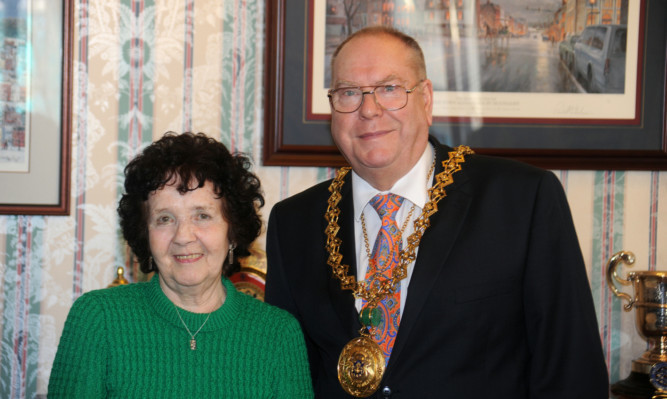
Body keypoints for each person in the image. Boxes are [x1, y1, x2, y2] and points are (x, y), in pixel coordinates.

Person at [264, 26, 609, 398]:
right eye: (349, 93)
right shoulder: (294, 223)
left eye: (389, 89)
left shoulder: (522, 200)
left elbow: (572, 371)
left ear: (426, 99)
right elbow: (285, 375)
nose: (368, 109)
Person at [48, 132, 313, 398]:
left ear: (232, 231)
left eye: (202, 216)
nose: (183, 236)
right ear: (144, 233)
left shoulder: (278, 334)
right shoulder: (97, 319)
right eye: (164, 219)